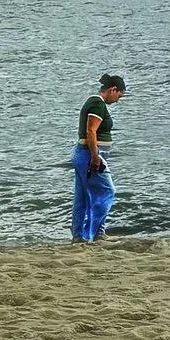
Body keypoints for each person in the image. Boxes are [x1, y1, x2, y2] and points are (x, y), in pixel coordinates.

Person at [70, 73, 126, 242]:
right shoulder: (97, 104)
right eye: (119, 96)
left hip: (83, 153)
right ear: (113, 90)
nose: (117, 100)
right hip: (90, 154)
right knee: (107, 191)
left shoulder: (94, 103)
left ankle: (79, 236)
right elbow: (91, 131)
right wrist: (95, 157)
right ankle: (96, 233)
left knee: (82, 197)